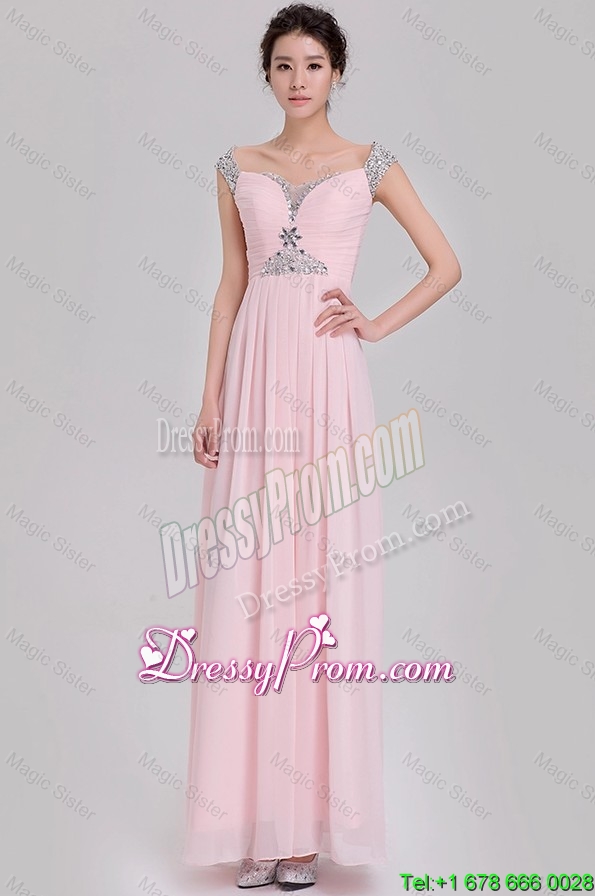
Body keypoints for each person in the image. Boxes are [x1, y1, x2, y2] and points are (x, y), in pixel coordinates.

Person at [182, 2, 461, 889]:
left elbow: (445, 264)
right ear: (265, 75)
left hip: (330, 387)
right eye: (282, 65)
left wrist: (373, 323)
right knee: (249, 585)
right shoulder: (237, 166)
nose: (297, 79)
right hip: (254, 379)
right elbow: (230, 289)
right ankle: (255, 826)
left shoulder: (369, 162)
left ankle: (304, 830)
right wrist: (209, 398)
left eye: (312, 64)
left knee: (317, 583)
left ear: (337, 71)